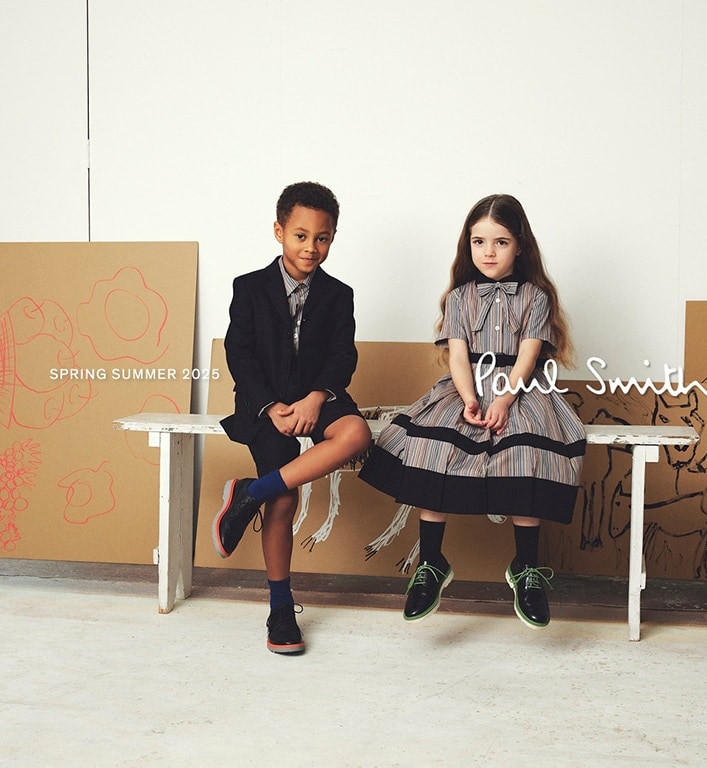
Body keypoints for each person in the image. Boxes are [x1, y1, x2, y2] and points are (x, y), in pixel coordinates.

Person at [359, 193, 585, 629]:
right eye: (479, 242)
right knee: (433, 448)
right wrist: (468, 399)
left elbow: (528, 356)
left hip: (519, 389)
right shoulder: (460, 297)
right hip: (467, 387)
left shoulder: (535, 297)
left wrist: (503, 400)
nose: (488, 252)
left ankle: (525, 566)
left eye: (501, 242)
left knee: (527, 452)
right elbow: (458, 357)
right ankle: (431, 562)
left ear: (520, 246)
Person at [215, 181, 372, 654]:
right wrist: (269, 406)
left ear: (333, 237)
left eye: (322, 238)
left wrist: (316, 398)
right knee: (284, 500)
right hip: (264, 403)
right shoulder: (248, 287)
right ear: (279, 231)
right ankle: (281, 608)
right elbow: (239, 354)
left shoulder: (339, 294)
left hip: (318, 396)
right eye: (301, 236)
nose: (311, 247)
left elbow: (343, 356)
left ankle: (250, 492)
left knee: (356, 433)